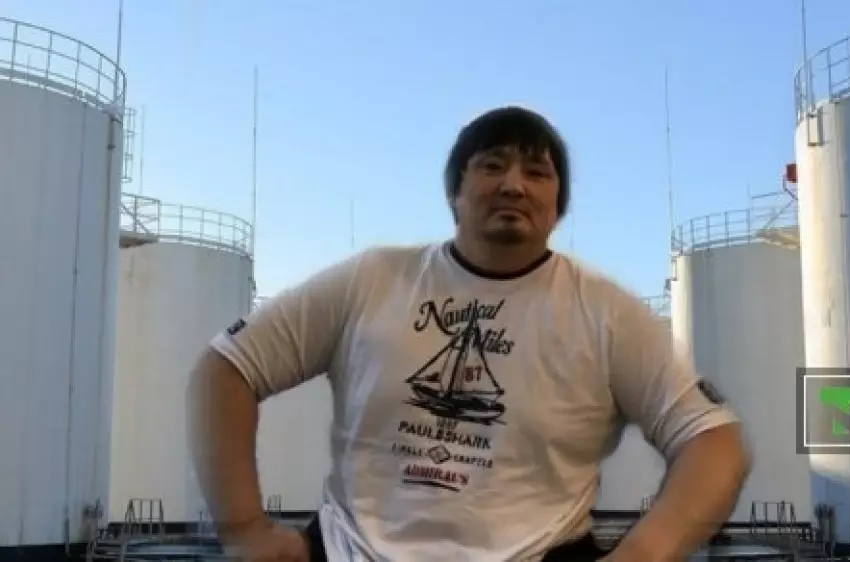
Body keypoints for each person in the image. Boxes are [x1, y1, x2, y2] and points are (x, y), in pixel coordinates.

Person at [187, 105, 751, 561]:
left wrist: (644, 553)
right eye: (491, 165)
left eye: (537, 173)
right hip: (349, 550)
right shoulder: (373, 279)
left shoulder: (607, 313)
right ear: (455, 192)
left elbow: (714, 441)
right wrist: (244, 529)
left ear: (558, 205)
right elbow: (228, 367)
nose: (514, 185)